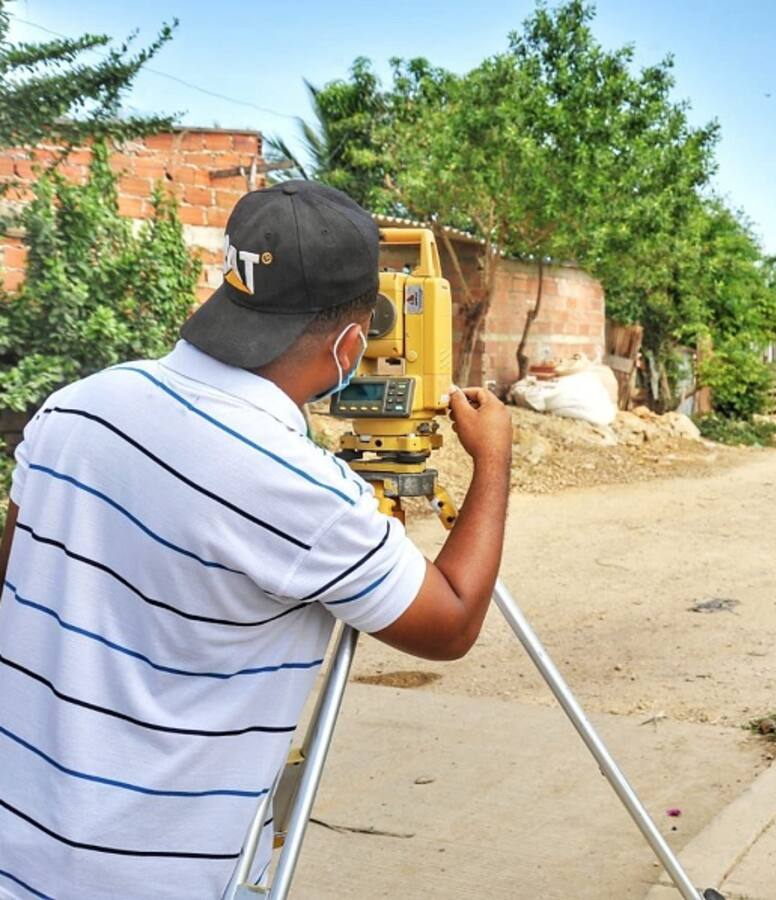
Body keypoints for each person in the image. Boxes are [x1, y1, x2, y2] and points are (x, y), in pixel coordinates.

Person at [0, 181, 512, 899]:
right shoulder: (297, 489)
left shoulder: (77, 406)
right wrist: (494, 458)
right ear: (349, 342)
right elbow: (452, 619)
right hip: (152, 877)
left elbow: (17, 578)